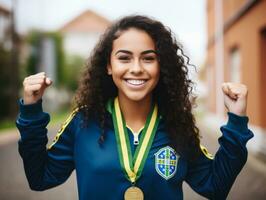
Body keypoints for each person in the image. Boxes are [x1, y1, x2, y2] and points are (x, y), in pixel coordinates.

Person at [16, 15, 253, 200]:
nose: (137, 68)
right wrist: (31, 110)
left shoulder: (176, 126)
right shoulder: (83, 122)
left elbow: (215, 186)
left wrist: (236, 121)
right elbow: (40, 177)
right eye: (124, 58)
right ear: (108, 65)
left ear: (161, 66)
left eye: (148, 58)